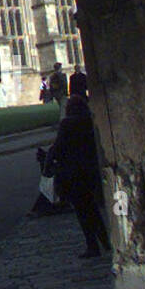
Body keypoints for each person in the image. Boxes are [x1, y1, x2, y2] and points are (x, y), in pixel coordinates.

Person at [45, 93, 111, 257]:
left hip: (73, 173)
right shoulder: (90, 121)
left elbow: (58, 147)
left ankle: (92, 245)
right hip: (89, 172)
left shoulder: (67, 124)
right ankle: (105, 242)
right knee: (93, 209)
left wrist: (48, 161)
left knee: (82, 212)